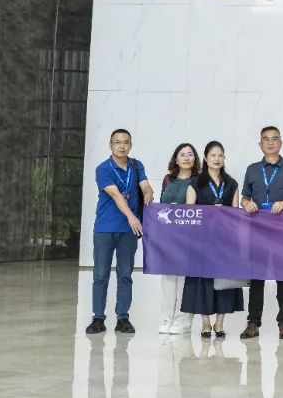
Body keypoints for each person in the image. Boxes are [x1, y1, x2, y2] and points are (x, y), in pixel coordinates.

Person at [86, 128, 154, 335]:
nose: (121, 146)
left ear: (130, 145)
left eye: (125, 142)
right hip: (105, 229)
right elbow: (116, 195)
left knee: (125, 274)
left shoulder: (136, 165)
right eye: (117, 142)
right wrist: (132, 216)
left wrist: (148, 192)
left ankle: (123, 318)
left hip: (128, 232)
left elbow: (145, 185)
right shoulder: (103, 169)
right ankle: (98, 318)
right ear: (110, 145)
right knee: (100, 274)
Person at [240, 126, 283, 340]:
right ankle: (253, 322)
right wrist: (246, 203)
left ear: (280, 143)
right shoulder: (252, 169)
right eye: (266, 139)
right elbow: (245, 197)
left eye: (274, 139)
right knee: (256, 276)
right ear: (260, 144)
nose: (270, 142)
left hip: (282, 228)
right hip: (257, 228)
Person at [181, 141, 244, 338]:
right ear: (206, 158)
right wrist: (210, 212)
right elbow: (190, 215)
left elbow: (235, 214)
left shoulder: (232, 184)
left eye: (220, 155)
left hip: (225, 240)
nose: (217, 159)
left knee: (224, 281)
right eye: (213, 155)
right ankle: (206, 322)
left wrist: (225, 214)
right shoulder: (195, 184)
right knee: (203, 281)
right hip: (202, 240)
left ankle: (220, 322)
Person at [157, 143, 200, 335]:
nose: (186, 158)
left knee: (184, 279)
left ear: (195, 158)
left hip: (189, 236)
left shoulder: (199, 180)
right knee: (168, 279)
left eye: (190, 154)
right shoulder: (168, 179)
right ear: (176, 159)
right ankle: (167, 318)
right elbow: (161, 206)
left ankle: (183, 320)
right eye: (182, 154)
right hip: (168, 236)